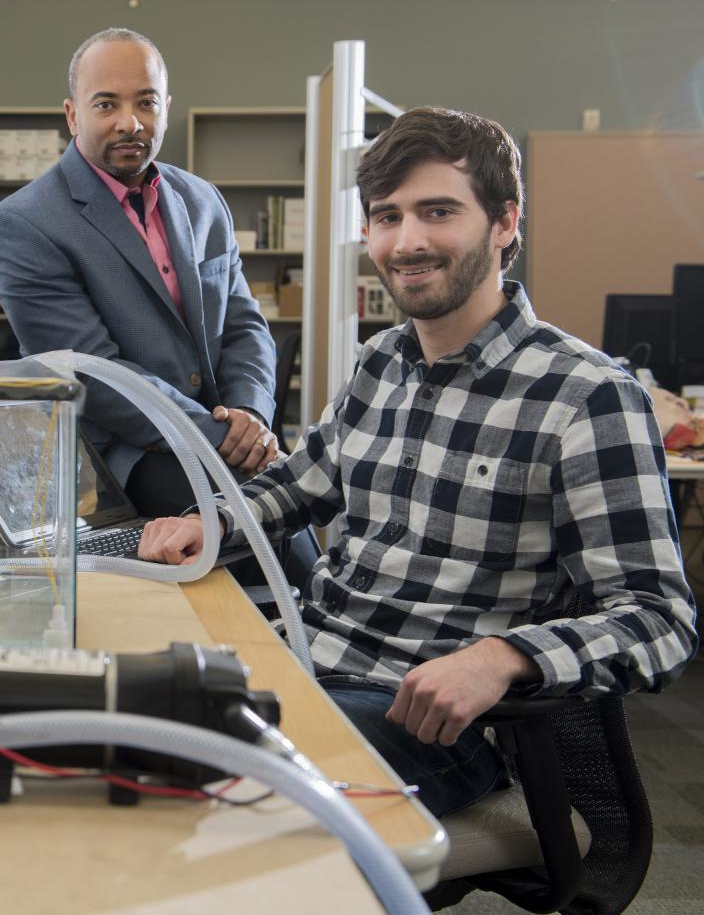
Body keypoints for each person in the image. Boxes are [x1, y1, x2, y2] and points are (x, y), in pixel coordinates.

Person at [138, 106, 699, 818]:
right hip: (304, 665)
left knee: (203, 799)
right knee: (113, 726)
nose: (407, 241)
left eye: (438, 211)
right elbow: (296, 486)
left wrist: (506, 658)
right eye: (386, 216)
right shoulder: (380, 363)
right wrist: (207, 522)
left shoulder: (587, 397)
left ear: (504, 222)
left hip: (428, 722)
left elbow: (660, 618)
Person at [0, 27, 278, 520]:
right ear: (72, 115)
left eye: (146, 103)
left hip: (231, 438)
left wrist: (250, 414)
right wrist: (223, 439)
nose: (130, 123)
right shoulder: (25, 223)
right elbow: (92, 371)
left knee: (298, 532)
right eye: (105, 105)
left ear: (166, 106)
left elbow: (244, 325)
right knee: (260, 527)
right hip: (122, 456)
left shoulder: (203, 200)